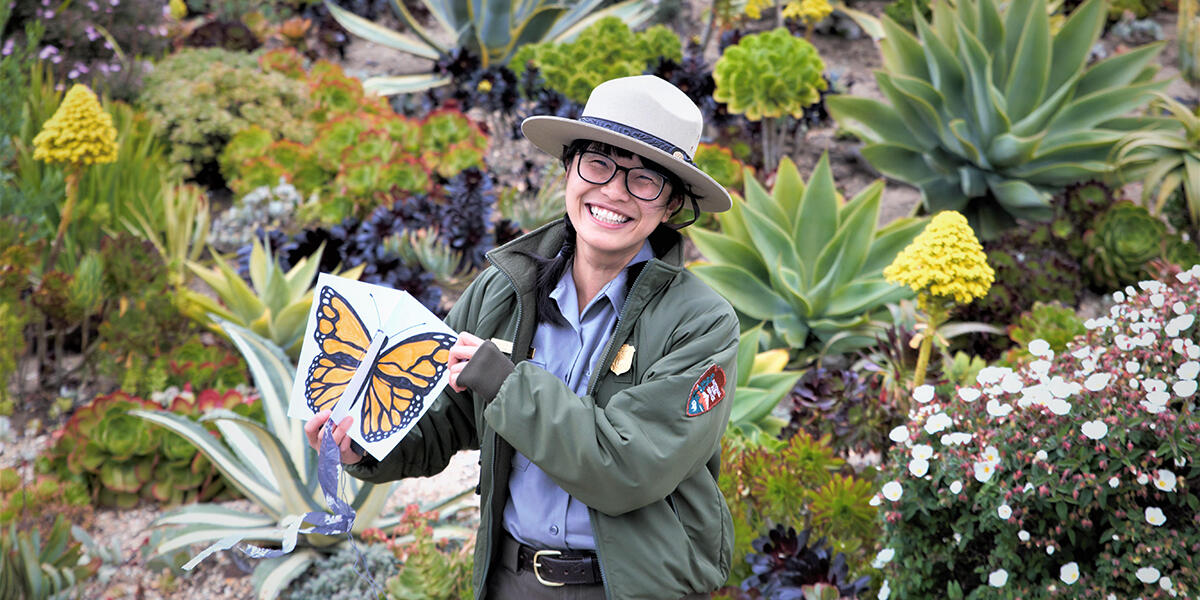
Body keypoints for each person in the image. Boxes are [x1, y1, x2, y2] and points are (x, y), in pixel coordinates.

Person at [305, 75, 739, 599]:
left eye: (645, 179)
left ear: (670, 205)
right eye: (598, 163)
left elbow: (628, 469)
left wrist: (505, 383)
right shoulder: (504, 290)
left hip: (631, 588)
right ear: (569, 169)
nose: (613, 192)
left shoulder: (701, 323)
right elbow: (443, 419)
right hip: (511, 581)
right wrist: (364, 443)